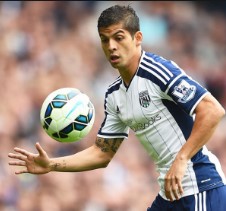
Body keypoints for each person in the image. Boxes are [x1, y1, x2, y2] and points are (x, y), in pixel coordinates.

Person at [8, 4, 226, 211]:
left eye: (118, 38)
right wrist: (51, 165)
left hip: (201, 185)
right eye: (105, 39)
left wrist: (182, 158)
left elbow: (213, 110)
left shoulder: (157, 71)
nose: (111, 46)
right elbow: (102, 153)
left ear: (137, 38)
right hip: (170, 192)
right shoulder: (114, 95)